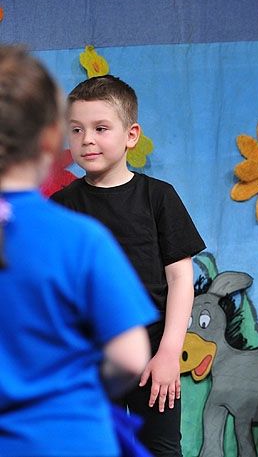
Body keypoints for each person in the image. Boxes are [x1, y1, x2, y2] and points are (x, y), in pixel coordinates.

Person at [0, 46, 157, 456]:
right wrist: (76, 390)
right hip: (73, 436)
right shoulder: (80, 238)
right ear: (52, 139)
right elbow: (129, 357)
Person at [51, 75, 206, 457]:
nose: (87, 139)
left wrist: (169, 351)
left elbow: (180, 278)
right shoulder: (61, 207)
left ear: (131, 135)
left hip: (152, 351)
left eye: (100, 128)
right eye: (76, 129)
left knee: (160, 448)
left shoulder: (158, 197)